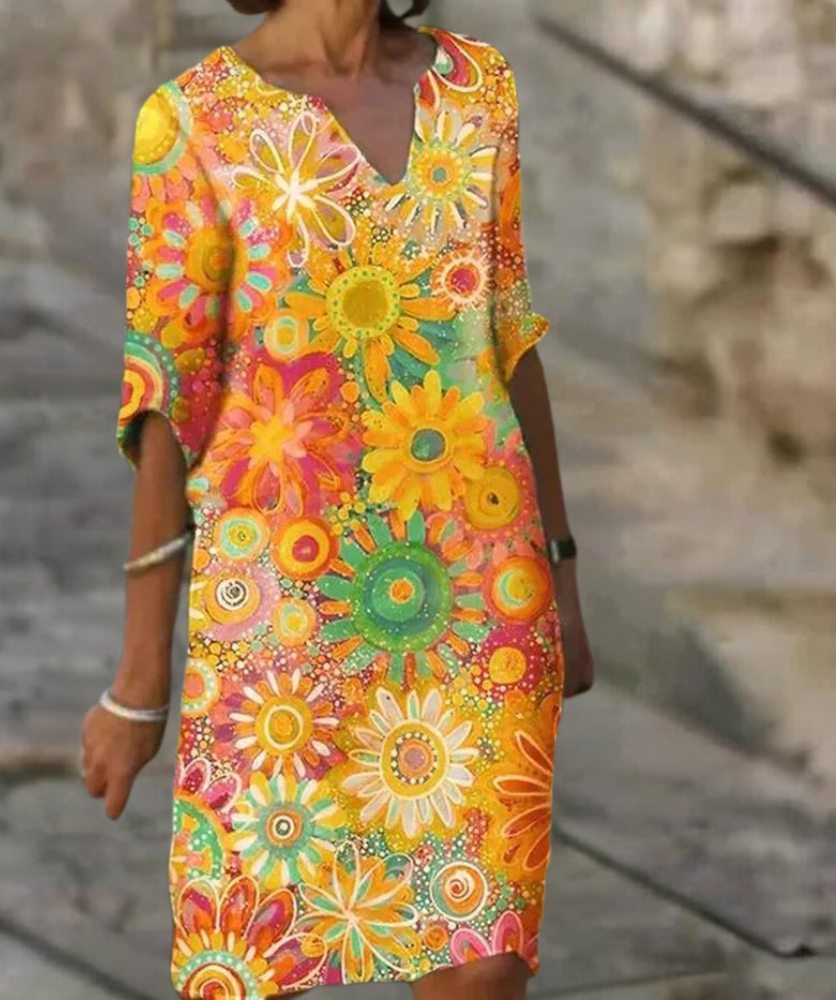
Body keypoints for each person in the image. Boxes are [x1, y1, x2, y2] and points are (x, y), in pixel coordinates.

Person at [80, 0, 595, 997]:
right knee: (253, 954)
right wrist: (140, 679)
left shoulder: (478, 89)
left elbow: (507, 332)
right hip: (277, 621)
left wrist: (562, 576)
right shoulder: (193, 120)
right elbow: (166, 399)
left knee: (484, 964)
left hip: (482, 606)